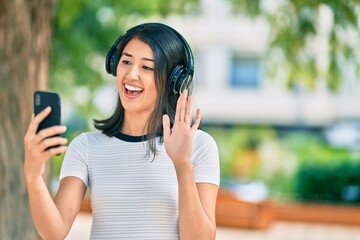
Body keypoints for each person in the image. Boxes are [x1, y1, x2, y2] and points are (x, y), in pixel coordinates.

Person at [24, 22, 220, 240]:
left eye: (147, 67)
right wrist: (33, 176)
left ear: (174, 80)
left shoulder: (199, 146)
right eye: (126, 62)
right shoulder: (86, 146)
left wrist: (183, 165)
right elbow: (53, 232)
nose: (131, 75)